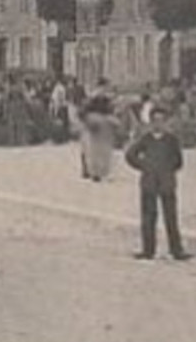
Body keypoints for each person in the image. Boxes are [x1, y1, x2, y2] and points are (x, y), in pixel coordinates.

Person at [124, 106, 190, 261]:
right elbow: (130, 155)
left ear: (165, 122)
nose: (158, 124)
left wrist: (168, 170)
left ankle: (176, 250)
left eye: (161, 121)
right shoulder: (145, 139)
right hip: (149, 183)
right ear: (151, 122)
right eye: (155, 121)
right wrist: (144, 166)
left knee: (171, 217)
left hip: (167, 183)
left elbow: (178, 161)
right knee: (148, 218)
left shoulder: (171, 140)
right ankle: (148, 250)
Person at [80, 83, 117, 181]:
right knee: (93, 151)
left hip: (102, 130)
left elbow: (82, 113)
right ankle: (93, 172)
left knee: (98, 152)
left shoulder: (106, 101)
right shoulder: (93, 101)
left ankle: (97, 172)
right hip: (95, 129)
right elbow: (82, 113)